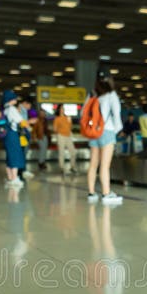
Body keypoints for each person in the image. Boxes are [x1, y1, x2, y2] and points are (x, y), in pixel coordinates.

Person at [85, 76, 123, 205]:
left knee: (93, 164)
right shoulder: (111, 95)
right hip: (107, 131)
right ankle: (106, 194)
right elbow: (117, 116)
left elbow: (83, 114)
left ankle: (91, 193)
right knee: (105, 165)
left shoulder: (92, 95)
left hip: (93, 133)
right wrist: (115, 131)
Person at [1, 90, 25, 188]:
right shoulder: (12, 109)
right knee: (15, 155)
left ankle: (10, 177)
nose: (16, 99)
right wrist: (29, 122)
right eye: (14, 97)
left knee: (9, 156)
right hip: (13, 134)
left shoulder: (5, 109)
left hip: (7, 135)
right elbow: (21, 121)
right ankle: (15, 178)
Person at [53, 104, 77, 174]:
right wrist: (59, 132)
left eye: (63, 108)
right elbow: (55, 129)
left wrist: (70, 121)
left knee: (73, 152)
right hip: (61, 136)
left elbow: (70, 127)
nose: (62, 110)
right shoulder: (57, 119)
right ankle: (62, 168)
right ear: (58, 110)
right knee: (61, 152)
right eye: (61, 108)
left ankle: (72, 166)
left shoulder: (68, 117)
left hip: (68, 136)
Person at [19, 99, 35, 179]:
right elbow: (21, 123)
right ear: (25, 103)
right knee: (22, 152)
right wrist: (29, 122)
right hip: (22, 135)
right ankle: (21, 170)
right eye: (29, 105)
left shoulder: (24, 111)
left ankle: (23, 170)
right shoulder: (20, 110)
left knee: (23, 152)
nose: (30, 108)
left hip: (24, 133)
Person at [32, 106, 49, 171]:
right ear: (39, 114)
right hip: (40, 137)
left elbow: (46, 129)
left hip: (45, 136)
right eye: (41, 113)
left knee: (44, 150)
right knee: (42, 149)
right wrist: (34, 137)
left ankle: (43, 162)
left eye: (43, 113)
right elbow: (34, 130)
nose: (42, 114)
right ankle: (40, 163)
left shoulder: (45, 120)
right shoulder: (37, 120)